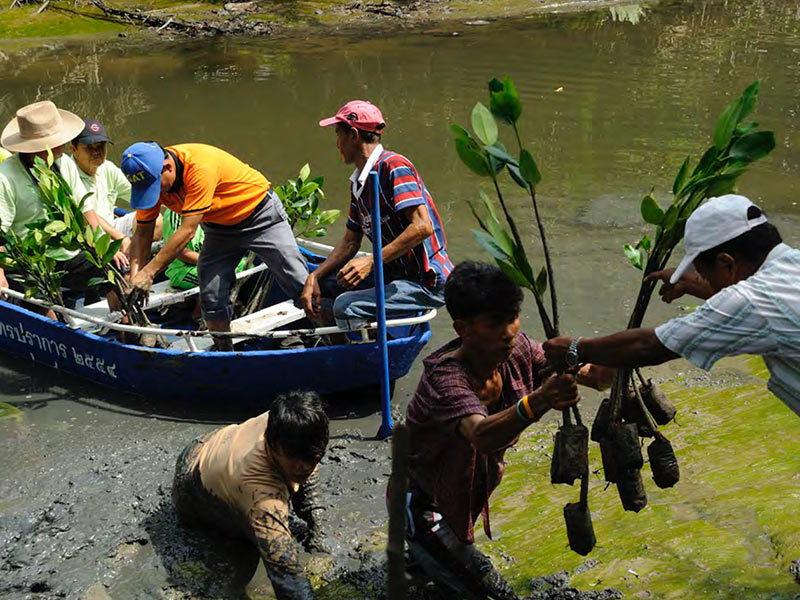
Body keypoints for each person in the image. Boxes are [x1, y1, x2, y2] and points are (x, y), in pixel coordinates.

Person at [403, 261, 613, 600]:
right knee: (491, 590)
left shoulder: (519, 351)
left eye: (512, 317)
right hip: (424, 505)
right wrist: (539, 400)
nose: (509, 331)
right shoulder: (445, 378)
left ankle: (425, 565)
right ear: (463, 329)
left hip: (468, 490)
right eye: (495, 323)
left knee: (445, 576)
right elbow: (482, 435)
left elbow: (597, 377)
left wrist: (616, 354)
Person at [543, 194, 800, 418]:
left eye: (704, 273)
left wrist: (578, 348)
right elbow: (748, 310)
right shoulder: (791, 264)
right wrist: (694, 284)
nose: (704, 280)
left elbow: (651, 346)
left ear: (727, 263)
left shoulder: (751, 300)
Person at [121, 142, 309, 350]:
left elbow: (187, 230)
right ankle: (225, 355)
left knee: (300, 281)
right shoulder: (154, 178)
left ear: (168, 167)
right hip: (220, 228)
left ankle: (336, 339)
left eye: (156, 187)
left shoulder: (200, 167)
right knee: (211, 295)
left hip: (260, 216)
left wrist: (149, 272)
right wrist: (135, 277)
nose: (156, 194)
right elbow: (143, 233)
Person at [301, 100, 453, 330]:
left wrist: (371, 261)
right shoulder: (359, 183)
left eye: (338, 136)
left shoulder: (394, 166)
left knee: (344, 306)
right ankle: (334, 343)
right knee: (327, 284)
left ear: (353, 135)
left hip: (425, 281)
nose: (337, 144)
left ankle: (354, 353)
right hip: (392, 273)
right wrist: (315, 276)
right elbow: (350, 241)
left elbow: (422, 226)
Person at [171, 391, 329, 600]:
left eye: (314, 457)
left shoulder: (291, 420)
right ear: (272, 443)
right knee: (248, 546)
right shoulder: (260, 494)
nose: (307, 466)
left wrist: (316, 521)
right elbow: (287, 576)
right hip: (192, 486)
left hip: (215, 443)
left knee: (301, 464)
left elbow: (305, 460)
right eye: (295, 458)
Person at [0, 101, 119, 307]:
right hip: (31, 261)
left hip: (68, 253)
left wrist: (106, 248)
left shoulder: (64, 163)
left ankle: (127, 330)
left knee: (115, 271)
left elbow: (86, 212)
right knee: (45, 307)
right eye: (57, 141)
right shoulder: (5, 177)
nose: (63, 144)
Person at [70, 119, 163, 268]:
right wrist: (123, 239)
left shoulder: (107, 168)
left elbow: (136, 192)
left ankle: (139, 263)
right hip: (86, 235)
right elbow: (87, 214)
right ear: (73, 149)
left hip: (111, 225)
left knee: (156, 218)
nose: (96, 152)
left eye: (100, 146)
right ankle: (126, 268)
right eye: (89, 147)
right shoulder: (68, 173)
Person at [161, 207, 247, 290]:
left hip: (214, 263)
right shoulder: (175, 213)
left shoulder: (209, 207)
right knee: (220, 277)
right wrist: (214, 262)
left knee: (247, 266)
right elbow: (178, 251)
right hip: (185, 270)